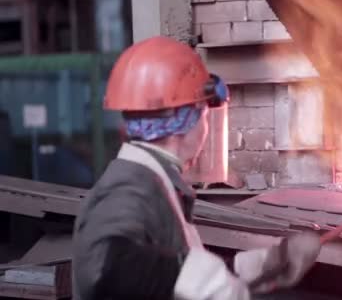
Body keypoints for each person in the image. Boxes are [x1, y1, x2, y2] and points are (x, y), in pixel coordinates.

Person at [72, 36, 321, 300]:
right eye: (203, 114)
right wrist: (208, 278)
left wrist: (268, 262)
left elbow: (170, 275)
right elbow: (103, 269)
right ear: (187, 120)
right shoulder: (131, 187)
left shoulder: (153, 179)